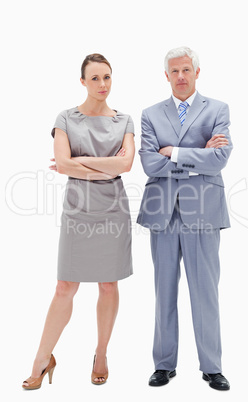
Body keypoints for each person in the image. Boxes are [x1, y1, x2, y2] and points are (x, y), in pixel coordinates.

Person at [22, 53, 135, 390]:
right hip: (77, 210)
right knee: (64, 287)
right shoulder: (66, 118)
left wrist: (80, 161)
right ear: (83, 81)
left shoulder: (124, 120)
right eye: (95, 78)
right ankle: (42, 359)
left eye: (107, 77)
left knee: (108, 285)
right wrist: (104, 165)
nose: (102, 84)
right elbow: (63, 163)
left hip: (113, 211)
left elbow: (126, 165)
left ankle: (101, 354)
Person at [137, 46, 232, 391]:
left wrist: (174, 152)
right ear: (166, 76)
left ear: (196, 72)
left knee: (205, 291)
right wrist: (198, 155)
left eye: (186, 70)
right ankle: (164, 364)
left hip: (203, 211)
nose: (180, 76)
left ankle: (212, 366)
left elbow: (219, 158)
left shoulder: (218, 109)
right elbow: (149, 163)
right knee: (163, 291)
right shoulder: (150, 114)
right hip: (162, 212)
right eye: (174, 71)